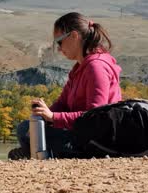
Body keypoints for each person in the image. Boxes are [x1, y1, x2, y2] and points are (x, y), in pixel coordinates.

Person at [9, 12, 122, 159]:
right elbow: (63, 103)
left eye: (60, 41)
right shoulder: (79, 68)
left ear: (74, 36)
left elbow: (94, 118)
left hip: (98, 142)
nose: (59, 48)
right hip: (82, 135)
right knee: (29, 127)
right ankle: (35, 152)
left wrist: (53, 117)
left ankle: (33, 153)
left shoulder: (96, 67)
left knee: (26, 130)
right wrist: (44, 115)